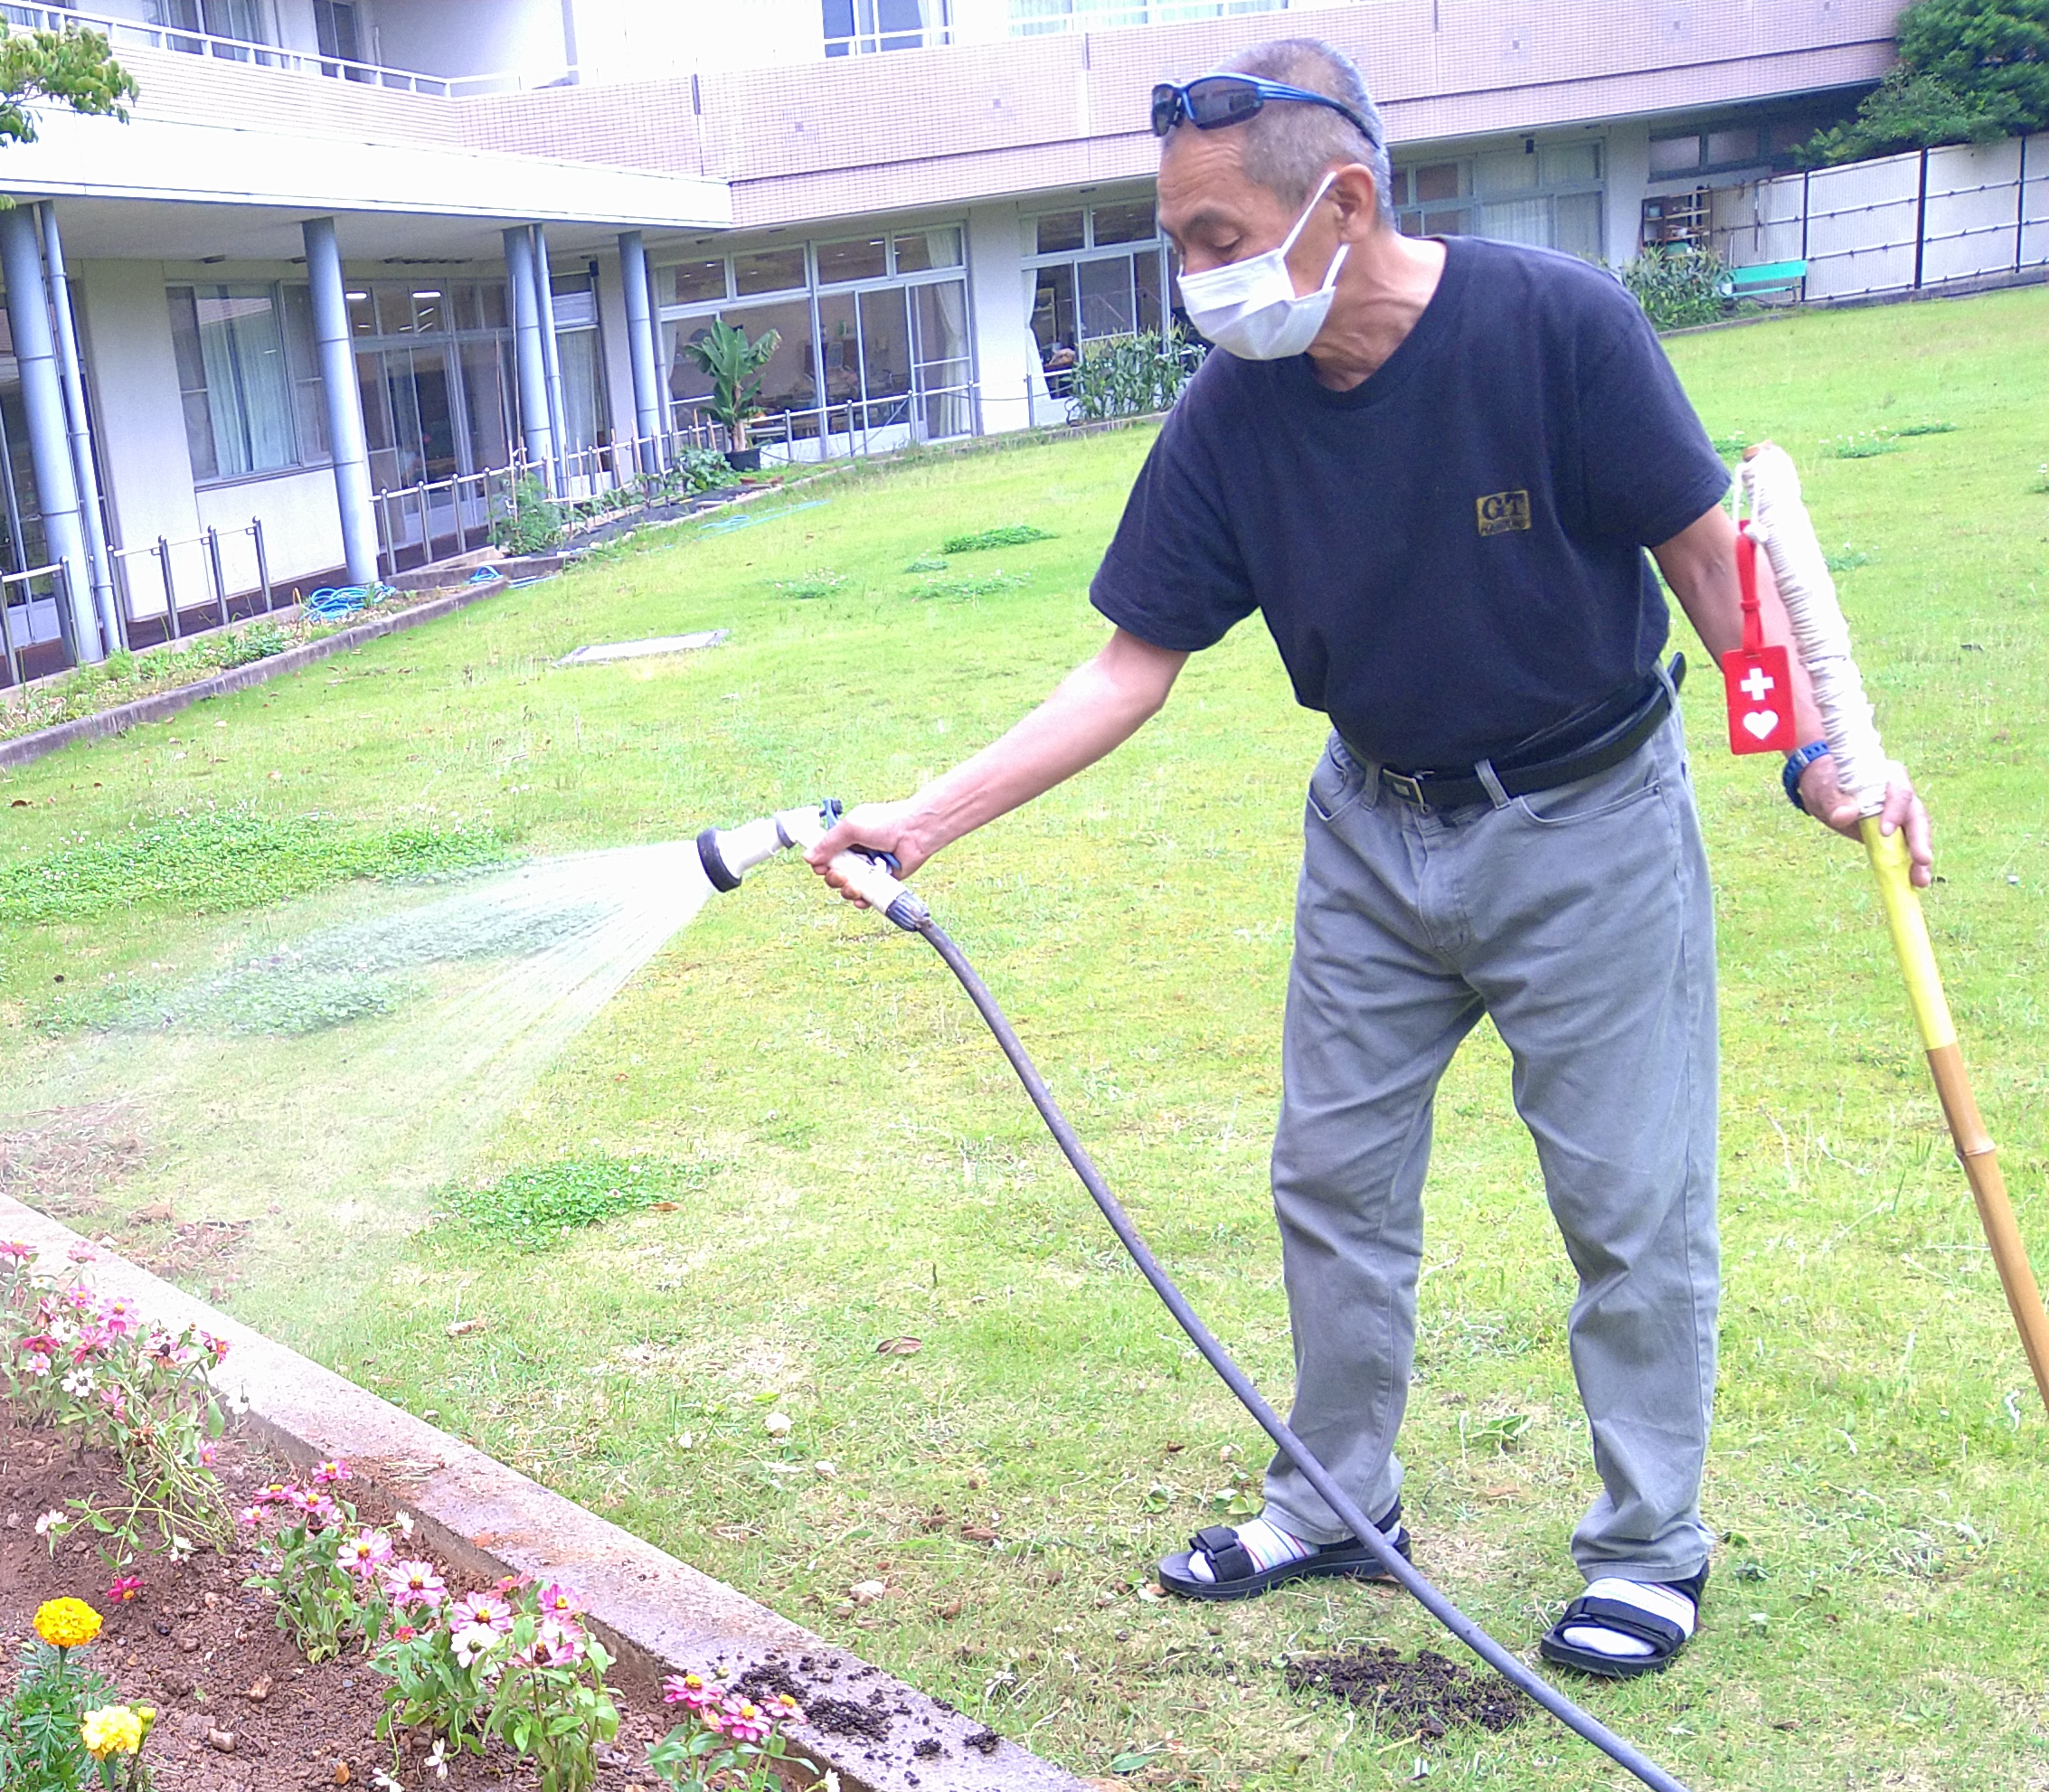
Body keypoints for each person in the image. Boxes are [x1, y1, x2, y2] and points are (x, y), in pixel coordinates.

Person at [810, 33, 1932, 1682]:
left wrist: (1818, 757)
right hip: (1374, 832)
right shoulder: (1234, 412)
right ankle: (1339, 1504)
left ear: (1341, 202)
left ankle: (1647, 1544)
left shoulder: (1557, 331)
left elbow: (1713, 561)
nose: (1191, 275)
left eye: (1210, 237)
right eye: (1176, 239)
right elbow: (1131, 664)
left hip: (1591, 826)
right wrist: (928, 815)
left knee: (1631, 1204)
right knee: (1329, 1183)